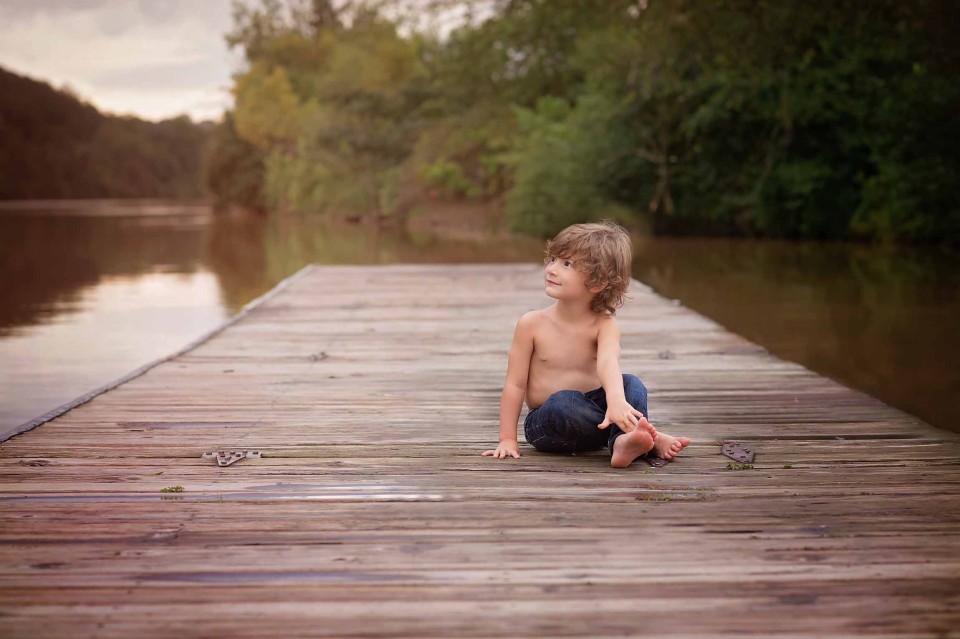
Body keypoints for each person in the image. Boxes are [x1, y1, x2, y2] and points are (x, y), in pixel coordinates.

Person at [482, 221, 690, 468]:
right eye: (553, 259)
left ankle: (624, 441)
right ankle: (634, 439)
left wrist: (615, 400)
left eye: (567, 264)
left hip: (596, 412)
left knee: (631, 382)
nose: (552, 269)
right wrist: (507, 439)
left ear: (597, 283)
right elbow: (515, 384)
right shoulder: (532, 323)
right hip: (549, 422)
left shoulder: (604, 325)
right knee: (564, 400)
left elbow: (608, 362)